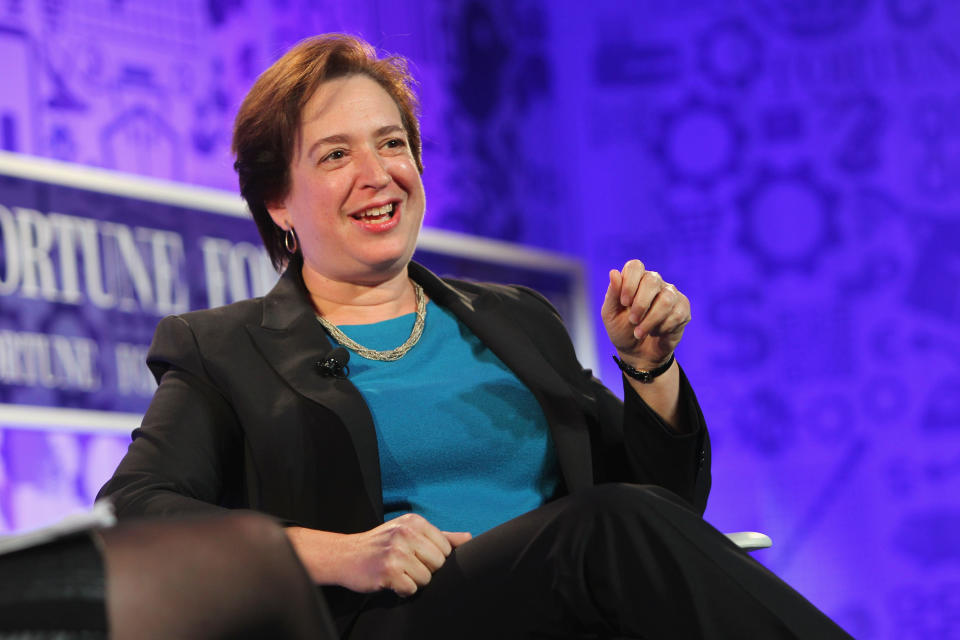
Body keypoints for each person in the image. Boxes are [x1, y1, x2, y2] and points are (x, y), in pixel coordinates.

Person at [98, 33, 851, 639]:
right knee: (608, 523)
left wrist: (648, 370)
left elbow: (669, 511)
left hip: (570, 608)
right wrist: (343, 554)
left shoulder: (515, 319)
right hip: (393, 621)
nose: (377, 173)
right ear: (279, 204)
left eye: (391, 144)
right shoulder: (222, 349)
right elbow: (134, 512)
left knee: (625, 526)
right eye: (335, 155)